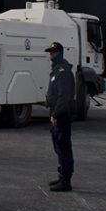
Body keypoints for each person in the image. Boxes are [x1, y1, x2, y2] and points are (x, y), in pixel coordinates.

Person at [45, 42, 75, 192]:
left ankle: (66, 179)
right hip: (56, 112)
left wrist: (56, 114)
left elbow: (64, 97)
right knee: (58, 146)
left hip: (61, 114)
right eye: (50, 52)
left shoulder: (63, 71)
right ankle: (62, 174)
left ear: (60, 53)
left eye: (54, 52)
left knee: (63, 146)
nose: (51, 54)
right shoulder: (57, 69)